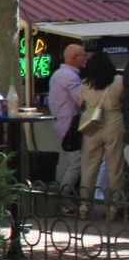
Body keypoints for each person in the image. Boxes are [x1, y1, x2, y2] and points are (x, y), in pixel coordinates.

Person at [75, 50, 124, 213]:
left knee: (89, 165)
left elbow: (79, 103)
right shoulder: (118, 81)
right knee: (115, 165)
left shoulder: (85, 83)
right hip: (114, 121)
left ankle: (84, 204)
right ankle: (114, 205)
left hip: (92, 123)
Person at [50, 43, 87, 192]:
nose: (86, 58)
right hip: (69, 126)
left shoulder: (59, 74)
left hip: (62, 124)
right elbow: (81, 101)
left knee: (70, 163)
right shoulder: (69, 76)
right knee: (75, 164)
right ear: (73, 58)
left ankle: (64, 195)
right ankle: (63, 198)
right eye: (83, 55)